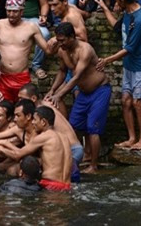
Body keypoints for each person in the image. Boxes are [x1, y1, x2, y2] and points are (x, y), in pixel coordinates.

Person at [45, 22, 110, 174]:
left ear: (72, 37)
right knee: (73, 126)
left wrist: (59, 95)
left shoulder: (85, 50)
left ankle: (93, 166)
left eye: (63, 40)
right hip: (83, 93)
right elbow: (62, 71)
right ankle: (75, 159)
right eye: (58, 40)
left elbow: (76, 77)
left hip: (99, 90)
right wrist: (52, 90)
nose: (60, 44)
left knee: (93, 127)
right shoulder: (62, 51)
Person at [96, 0, 141, 150]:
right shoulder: (127, 13)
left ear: (122, 0)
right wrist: (105, 8)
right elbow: (117, 27)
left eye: (116, 1)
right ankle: (131, 137)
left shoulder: (140, 19)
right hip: (129, 66)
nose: (115, 3)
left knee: (137, 103)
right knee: (126, 101)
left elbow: (129, 49)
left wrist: (107, 60)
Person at [0, 106, 72, 191]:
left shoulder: (44, 137)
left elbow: (17, 155)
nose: (33, 122)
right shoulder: (65, 137)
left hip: (50, 185)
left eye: (35, 119)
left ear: (43, 122)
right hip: (67, 186)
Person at [18, 83, 83, 181]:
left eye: (22, 98)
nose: (19, 101)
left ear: (33, 98)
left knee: (61, 179)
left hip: (71, 149)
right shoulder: (46, 105)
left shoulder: (40, 111)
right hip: (75, 147)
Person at [0, 0, 52, 102]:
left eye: (15, 11)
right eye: (9, 11)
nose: (11, 15)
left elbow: (48, 50)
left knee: (24, 111)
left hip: (21, 77)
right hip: (2, 76)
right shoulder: (0, 24)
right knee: (3, 109)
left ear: (21, 11)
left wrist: (56, 39)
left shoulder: (31, 27)